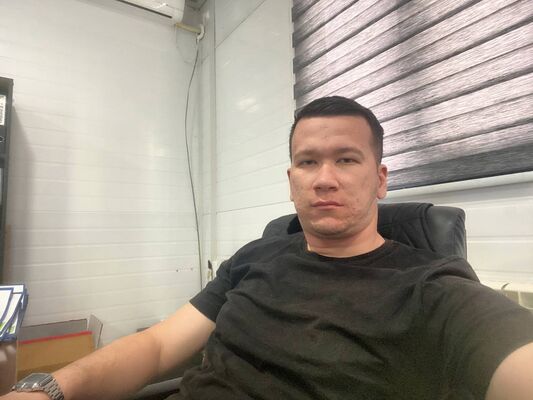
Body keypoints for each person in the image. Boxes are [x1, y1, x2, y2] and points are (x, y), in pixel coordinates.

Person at [3, 96, 533, 400]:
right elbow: (159, 347)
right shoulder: (255, 257)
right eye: (308, 162)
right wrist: (46, 389)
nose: (324, 178)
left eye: (347, 160)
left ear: (380, 179)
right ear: (291, 180)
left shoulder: (432, 286)